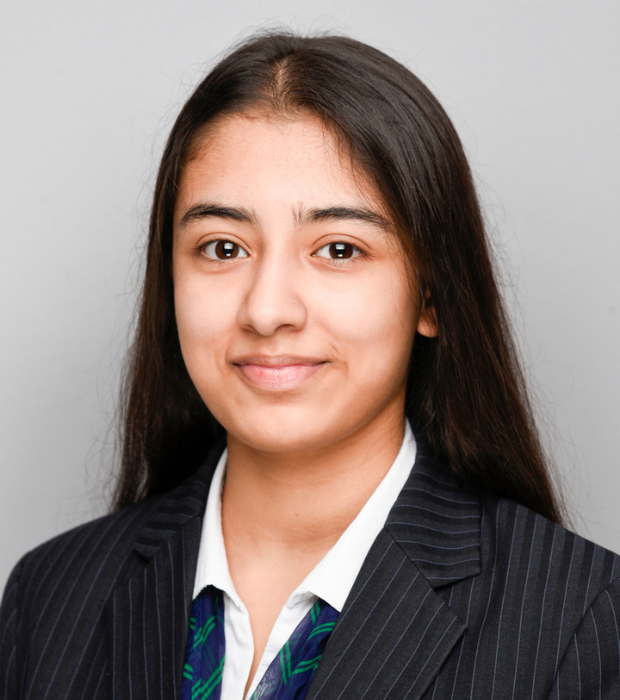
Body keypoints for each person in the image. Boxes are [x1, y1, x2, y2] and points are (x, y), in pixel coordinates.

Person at [1, 31, 619, 700]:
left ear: (431, 294)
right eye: (223, 247)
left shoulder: (577, 620)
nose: (267, 310)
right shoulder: (50, 597)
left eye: (339, 250)